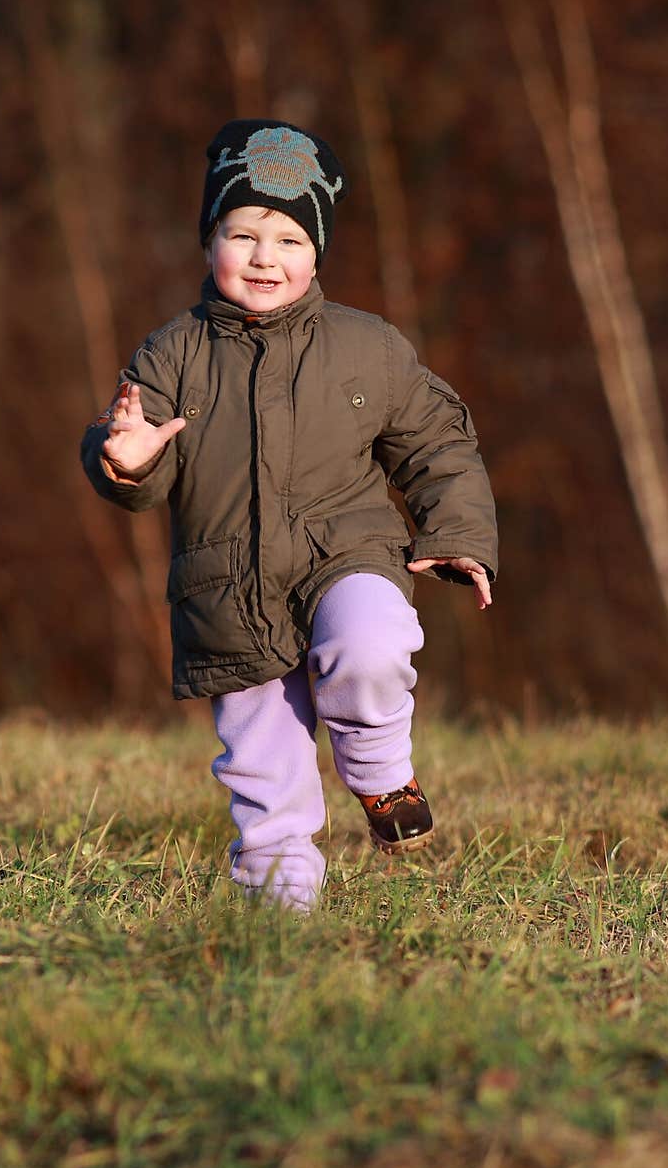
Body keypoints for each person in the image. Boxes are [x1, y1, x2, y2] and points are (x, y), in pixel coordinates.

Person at [80, 119, 498, 912]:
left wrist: (457, 537)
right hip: (227, 586)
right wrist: (123, 458)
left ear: (317, 253)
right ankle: (279, 911)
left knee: (371, 645)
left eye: (289, 239)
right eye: (242, 234)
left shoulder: (365, 347)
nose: (265, 257)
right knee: (263, 771)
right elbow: (133, 462)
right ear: (210, 244)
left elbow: (438, 443)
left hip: (349, 555)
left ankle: (379, 777)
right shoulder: (171, 354)